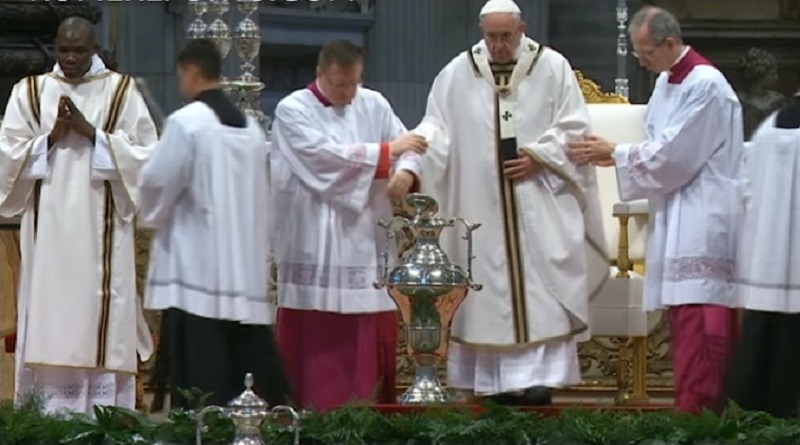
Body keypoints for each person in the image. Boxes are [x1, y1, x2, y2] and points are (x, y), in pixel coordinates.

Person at [412, 0, 608, 406]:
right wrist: (412, 164)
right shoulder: (457, 73)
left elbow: (575, 125)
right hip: (480, 206)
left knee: (541, 292)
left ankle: (541, 381)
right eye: (491, 37)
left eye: (506, 36)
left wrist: (539, 156)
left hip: (539, 202)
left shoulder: (552, 68)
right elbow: (436, 129)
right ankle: (494, 383)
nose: (498, 46)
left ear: (523, 29)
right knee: (488, 293)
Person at [567, 6, 744, 414]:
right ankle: (689, 408)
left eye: (646, 52)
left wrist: (617, 153)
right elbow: (662, 143)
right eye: (637, 54)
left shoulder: (709, 86)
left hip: (705, 213)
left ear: (669, 43)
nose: (642, 61)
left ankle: (705, 414)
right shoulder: (666, 82)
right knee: (685, 318)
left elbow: (678, 154)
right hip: (677, 206)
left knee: (703, 317)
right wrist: (622, 155)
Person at [0, 16, 156, 414]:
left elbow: (149, 158)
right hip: (48, 229)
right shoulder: (30, 92)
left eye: (79, 50)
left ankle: (103, 417)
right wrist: (50, 138)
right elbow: (6, 156)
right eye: (63, 49)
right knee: (51, 314)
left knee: (99, 318)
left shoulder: (122, 93)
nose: (69, 58)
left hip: (103, 235)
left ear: (94, 49)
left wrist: (93, 134)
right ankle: (47, 415)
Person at [270, 39, 425, 411]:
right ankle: (308, 413)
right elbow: (323, 159)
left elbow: (413, 147)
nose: (347, 92)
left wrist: (405, 174)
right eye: (339, 84)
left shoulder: (374, 103)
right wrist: (389, 154)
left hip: (365, 235)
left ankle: (370, 413)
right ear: (320, 74)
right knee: (316, 337)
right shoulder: (292, 109)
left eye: (353, 83)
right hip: (314, 235)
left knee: (367, 331)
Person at [139, 38, 291, 408]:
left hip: (197, 272)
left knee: (200, 383)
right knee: (244, 379)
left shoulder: (186, 123)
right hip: (243, 270)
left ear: (190, 71)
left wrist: (154, 213)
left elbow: (157, 183)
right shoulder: (251, 130)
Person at [724, 91, 800, 418]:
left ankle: (748, 420)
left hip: (766, 257)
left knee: (761, 337)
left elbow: (746, 188)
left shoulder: (769, 128)